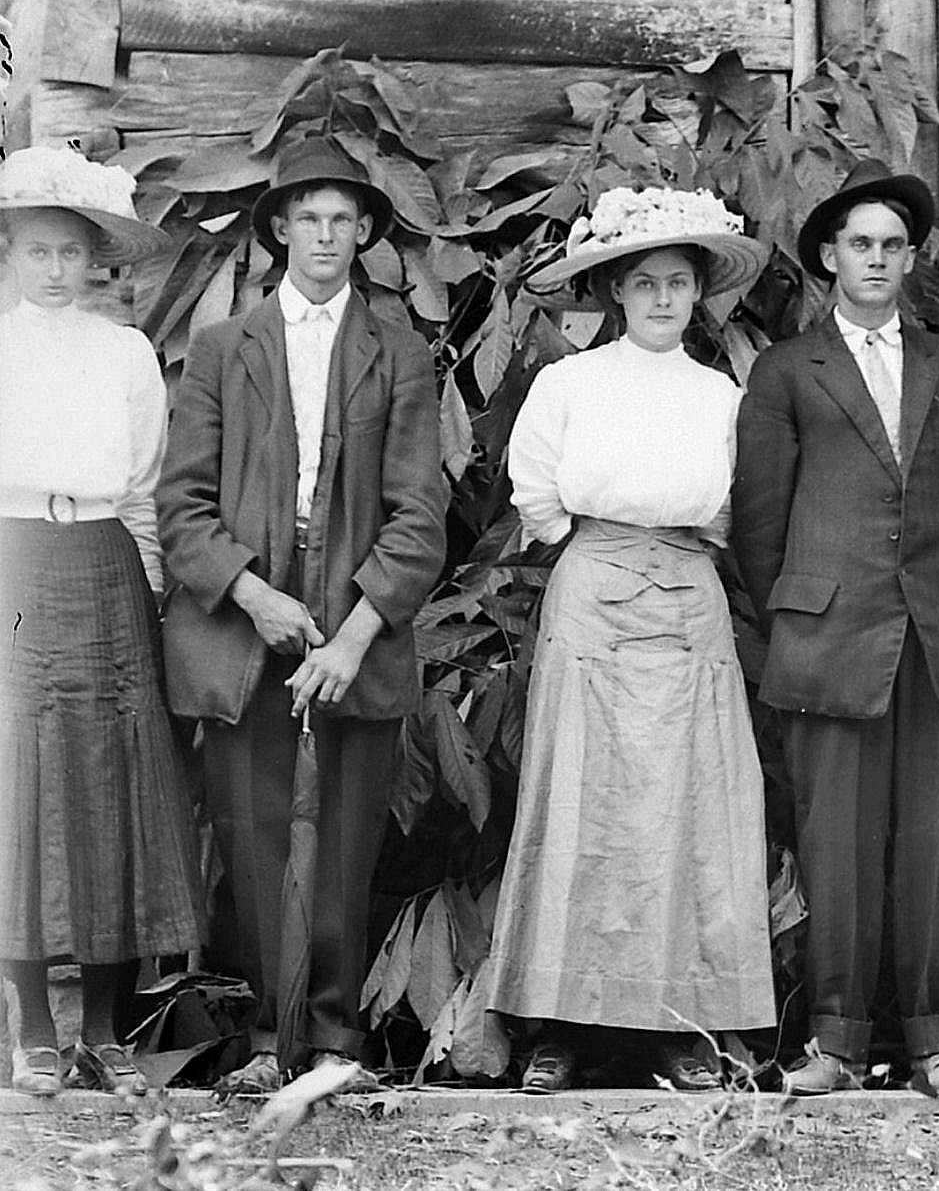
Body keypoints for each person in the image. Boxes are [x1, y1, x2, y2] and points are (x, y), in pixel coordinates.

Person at [158, 134, 448, 1093]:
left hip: (353, 619)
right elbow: (183, 507)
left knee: (346, 840)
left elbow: (419, 515)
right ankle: (259, 1043)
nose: (325, 235)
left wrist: (355, 636)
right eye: (308, 218)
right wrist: (253, 594)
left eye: (342, 220)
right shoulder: (222, 349)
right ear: (279, 229)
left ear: (363, 233)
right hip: (248, 622)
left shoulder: (399, 353)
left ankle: (331, 1044)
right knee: (252, 834)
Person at [488, 186, 776, 1093]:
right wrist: (605, 550)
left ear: (699, 295)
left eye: (677, 283)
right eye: (644, 282)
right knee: (581, 798)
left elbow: (732, 510)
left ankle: (683, 1028)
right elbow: (536, 495)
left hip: (688, 594)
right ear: (616, 289)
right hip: (595, 590)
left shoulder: (720, 395)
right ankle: (558, 1028)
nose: (661, 298)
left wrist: (671, 551)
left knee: (690, 805)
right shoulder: (571, 383)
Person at [731, 159, 939, 1099]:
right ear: (829, 259)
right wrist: (802, 613)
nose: (877, 259)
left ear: (912, 258)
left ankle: (937, 1041)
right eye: (860, 245)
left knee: (936, 842)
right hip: (830, 637)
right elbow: (759, 525)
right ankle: (836, 1044)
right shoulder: (785, 369)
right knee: (836, 847)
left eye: (892, 245)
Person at [0, 147, 203, 1098]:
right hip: (13, 563)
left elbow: (144, 491)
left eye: (71, 253)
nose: (54, 270)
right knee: (21, 784)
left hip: (106, 565)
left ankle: (107, 1031)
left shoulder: (125, 355)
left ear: (95, 261)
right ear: (10, 253)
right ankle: (35, 1030)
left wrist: (149, 591)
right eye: (37, 250)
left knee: (113, 783)